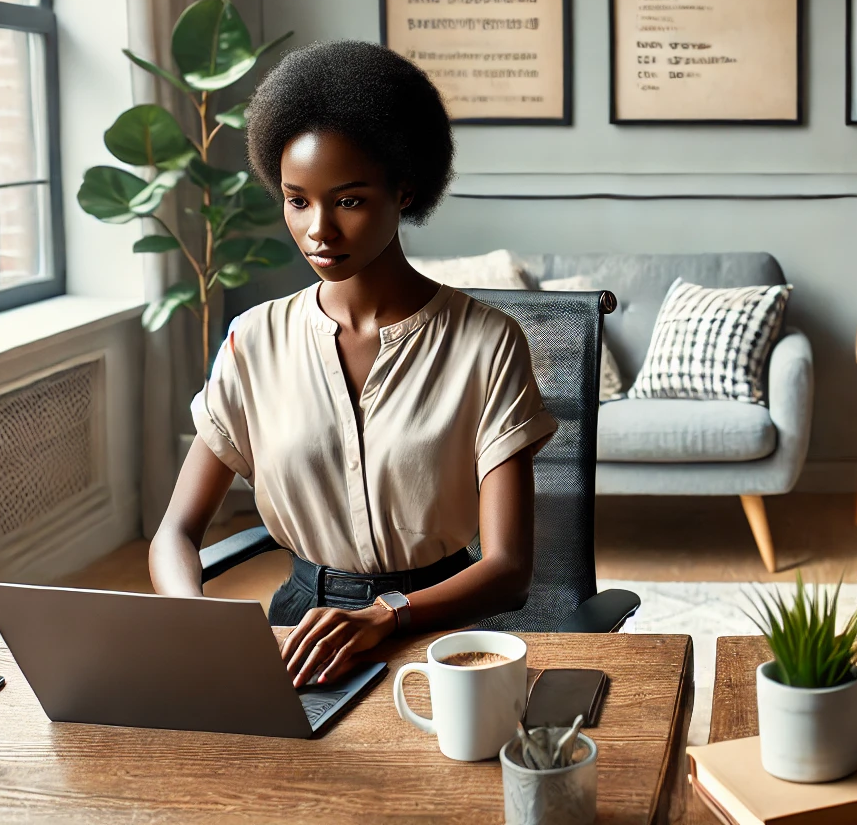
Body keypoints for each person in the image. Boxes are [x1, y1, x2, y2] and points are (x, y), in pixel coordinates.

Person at [149, 40, 556, 688]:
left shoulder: (486, 343)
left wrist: (385, 616)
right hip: (296, 635)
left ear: (405, 190)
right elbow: (174, 531)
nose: (319, 231)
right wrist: (193, 619)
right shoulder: (254, 341)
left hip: (440, 637)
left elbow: (508, 568)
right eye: (297, 200)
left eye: (349, 200)